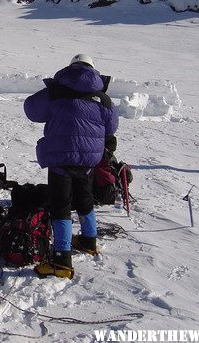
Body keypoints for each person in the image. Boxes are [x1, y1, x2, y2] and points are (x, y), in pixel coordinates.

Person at [24, 54, 119, 279]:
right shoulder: (102, 98)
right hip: (88, 160)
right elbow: (111, 128)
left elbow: (31, 109)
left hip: (60, 156)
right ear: (93, 71)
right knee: (85, 198)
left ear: (71, 68)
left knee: (61, 205)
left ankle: (62, 259)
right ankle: (88, 240)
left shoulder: (56, 92)